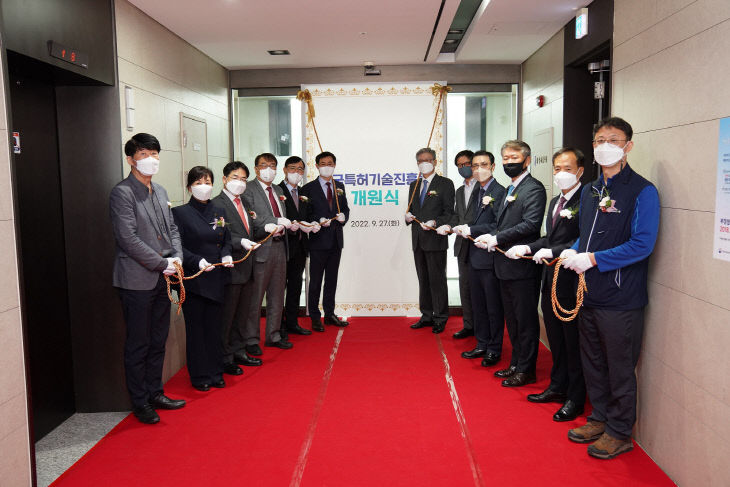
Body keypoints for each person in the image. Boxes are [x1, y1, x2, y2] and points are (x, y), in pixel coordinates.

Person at [561, 117, 659, 460]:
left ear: (628, 146)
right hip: (589, 293)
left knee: (619, 367)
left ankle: (620, 431)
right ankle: (599, 418)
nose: (605, 145)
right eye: (600, 139)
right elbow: (585, 235)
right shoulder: (590, 190)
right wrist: (573, 249)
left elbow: (642, 244)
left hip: (621, 298)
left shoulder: (642, 191)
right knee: (594, 363)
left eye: (613, 139)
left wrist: (594, 259)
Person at [110, 132, 186, 424]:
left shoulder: (162, 191)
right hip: (136, 278)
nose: (150, 160)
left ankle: (156, 392)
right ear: (131, 159)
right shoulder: (122, 193)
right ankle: (139, 401)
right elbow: (127, 238)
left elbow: (173, 230)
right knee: (138, 342)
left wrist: (175, 258)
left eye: (154, 154)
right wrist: (160, 263)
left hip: (163, 275)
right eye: (143, 155)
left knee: (158, 339)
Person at [505, 148, 586, 421]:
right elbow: (548, 240)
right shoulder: (555, 202)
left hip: (572, 281)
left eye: (567, 168)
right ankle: (557, 386)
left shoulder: (586, 200)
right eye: (556, 168)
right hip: (550, 280)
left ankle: (575, 397)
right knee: (555, 339)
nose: (560, 174)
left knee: (572, 341)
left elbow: (583, 240)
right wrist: (527, 246)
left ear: (580, 171)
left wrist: (553, 251)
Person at [475, 140, 546, 387]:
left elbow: (530, 224)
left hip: (522, 265)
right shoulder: (510, 189)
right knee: (513, 320)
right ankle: (516, 363)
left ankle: (527, 370)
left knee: (525, 320)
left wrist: (497, 238)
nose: (508, 162)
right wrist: (490, 236)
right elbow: (502, 222)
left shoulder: (533, 188)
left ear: (527, 160)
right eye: (505, 158)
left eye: (514, 157)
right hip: (504, 264)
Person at [172, 166, 232, 392]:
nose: (203, 186)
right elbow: (177, 246)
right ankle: (199, 375)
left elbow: (225, 238)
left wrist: (226, 253)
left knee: (214, 328)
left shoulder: (219, 211)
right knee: (196, 330)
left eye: (207, 181)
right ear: (189, 187)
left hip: (217, 277)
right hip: (195, 278)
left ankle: (216, 371)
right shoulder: (179, 213)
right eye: (198, 182)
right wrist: (196, 260)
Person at [453, 151, 505, 364]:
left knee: (493, 306)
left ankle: (494, 347)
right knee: (479, 304)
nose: (477, 169)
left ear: (493, 166)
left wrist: (472, 229)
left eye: (483, 164)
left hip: (490, 257)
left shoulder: (500, 191)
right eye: (475, 166)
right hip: (474, 255)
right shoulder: (476, 191)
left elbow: (499, 225)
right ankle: (481, 343)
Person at [211, 161, 263, 376]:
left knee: (243, 314)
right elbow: (216, 235)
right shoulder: (216, 204)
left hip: (248, 266)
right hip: (231, 268)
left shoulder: (246, 203)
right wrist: (238, 242)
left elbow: (252, 229)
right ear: (224, 179)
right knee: (227, 316)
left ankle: (239, 350)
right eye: (235, 178)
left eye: (243, 179)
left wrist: (270, 226)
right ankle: (225, 357)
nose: (239, 183)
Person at [242, 153, 293, 353]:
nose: (268, 169)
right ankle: (251, 339)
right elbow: (250, 218)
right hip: (260, 248)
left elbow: (284, 217)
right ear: (256, 169)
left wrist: (287, 224)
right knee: (256, 297)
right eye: (264, 165)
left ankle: (273, 334)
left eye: (272, 165)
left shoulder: (279, 189)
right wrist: (273, 221)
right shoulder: (248, 190)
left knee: (277, 295)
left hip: (280, 246)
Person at [405, 147, 456, 334]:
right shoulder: (414, 185)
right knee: (423, 279)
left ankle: (441, 317)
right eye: (420, 160)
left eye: (427, 159)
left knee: (437, 280)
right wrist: (407, 217)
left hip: (435, 239)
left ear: (435, 162)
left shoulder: (445, 183)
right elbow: (411, 210)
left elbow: (449, 212)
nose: (424, 163)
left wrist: (435, 222)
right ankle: (426, 315)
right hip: (418, 239)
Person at [300, 151, 350, 331]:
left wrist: (345, 216)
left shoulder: (340, 185)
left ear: (334, 165)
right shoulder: (307, 189)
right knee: (315, 281)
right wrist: (317, 220)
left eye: (330, 163)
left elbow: (345, 209)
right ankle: (314, 315)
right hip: (318, 240)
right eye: (323, 163)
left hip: (336, 240)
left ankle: (330, 314)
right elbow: (304, 214)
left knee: (331, 280)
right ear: (317, 166)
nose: (327, 166)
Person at [278, 156, 315, 337]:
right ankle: (277, 327)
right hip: (282, 246)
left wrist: (312, 224)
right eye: (293, 168)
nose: (297, 172)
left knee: (294, 286)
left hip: (300, 246)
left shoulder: (302, 193)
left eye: (300, 169)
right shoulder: (277, 192)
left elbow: (305, 217)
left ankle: (292, 323)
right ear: (285, 170)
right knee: (278, 289)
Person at [452, 150, 477, 339]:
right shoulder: (460, 190)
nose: (464, 168)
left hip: (480, 245)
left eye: (467, 163)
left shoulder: (485, 189)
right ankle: (468, 325)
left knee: (480, 290)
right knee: (465, 287)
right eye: (460, 165)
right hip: (462, 245)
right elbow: (456, 215)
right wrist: (449, 225)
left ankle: (482, 328)